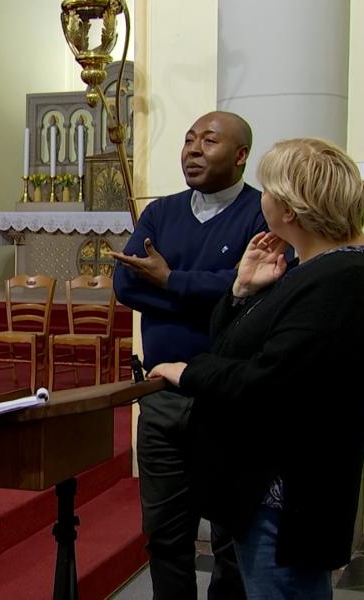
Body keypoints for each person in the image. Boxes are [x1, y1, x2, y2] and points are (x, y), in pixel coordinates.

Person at [149, 138, 364, 598]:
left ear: (290, 210)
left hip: (285, 500)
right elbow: (234, 346)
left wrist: (189, 371)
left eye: (267, 189)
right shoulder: (311, 270)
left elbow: (270, 382)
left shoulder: (344, 281)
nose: (262, 201)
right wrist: (242, 290)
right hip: (263, 493)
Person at [111, 111, 266, 600]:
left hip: (227, 399)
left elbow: (257, 292)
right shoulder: (160, 213)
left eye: (210, 141)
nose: (193, 149)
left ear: (241, 156)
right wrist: (216, 294)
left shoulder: (262, 214)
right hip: (160, 397)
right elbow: (124, 284)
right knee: (165, 534)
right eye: (188, 139)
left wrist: (170, 279)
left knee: (230, 538)